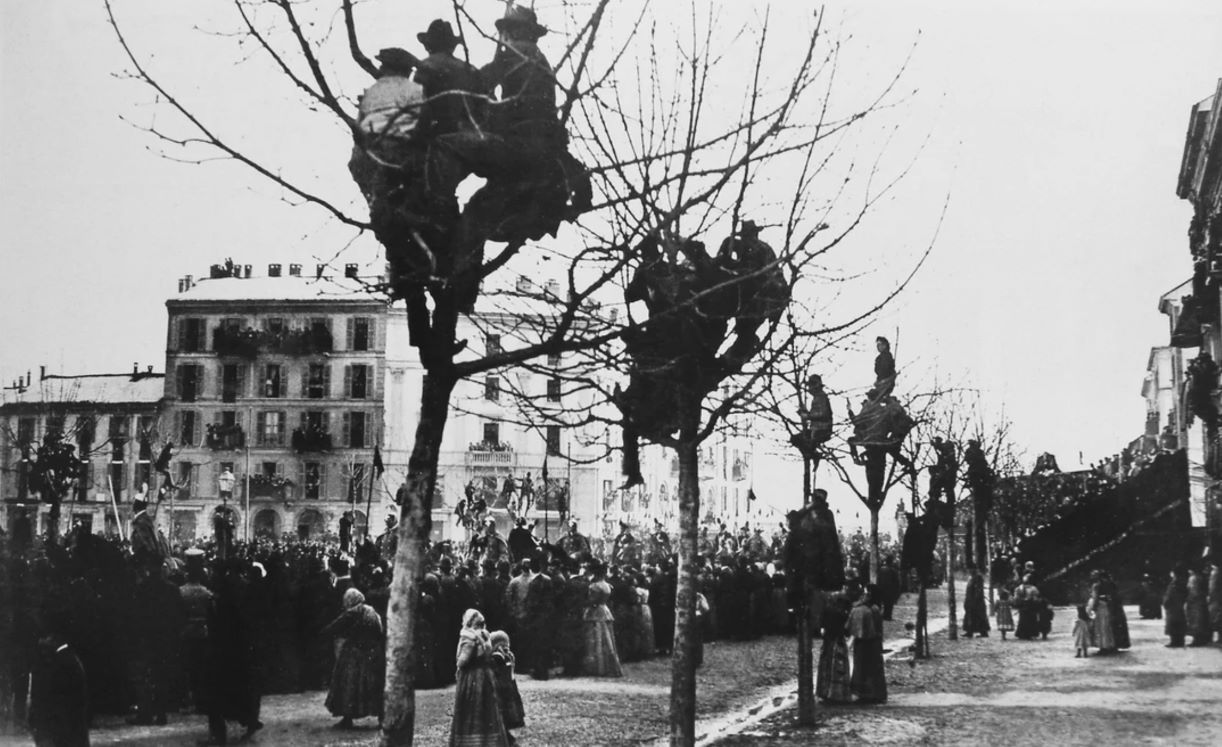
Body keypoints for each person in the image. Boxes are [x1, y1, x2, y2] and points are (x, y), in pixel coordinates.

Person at [323, 588, 384, 729]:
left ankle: (347, 717)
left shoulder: (353, 612)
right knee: (374, 686)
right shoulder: (372, 611)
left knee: (349, 685)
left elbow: (335, 627)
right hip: (373, 653)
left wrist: (321, 634)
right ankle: (382, 717)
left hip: (354, 653)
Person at [449, 609, 510, 747]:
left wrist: (458, 664)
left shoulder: (469, 637)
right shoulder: (485, 635)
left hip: (472, 678)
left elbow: (463, 661)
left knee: (471, 710)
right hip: (486, 676)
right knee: (487, 710)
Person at [28, 633, 90, 747]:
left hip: (62, 726)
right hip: (70, 724)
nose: (42, 641)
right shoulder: (69, 658)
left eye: (46, 638)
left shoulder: (59, 662)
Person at [846, 584, 886, 704]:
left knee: (861, 667)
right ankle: (876, 693)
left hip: (862, 643)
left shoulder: (858, 610)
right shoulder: (875, 609)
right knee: (873, 667)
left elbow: (849, 627)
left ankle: (862, 693)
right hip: (874, 643)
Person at [581, 561, 623, 677]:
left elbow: (592, 601)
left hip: (595, 611)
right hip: (604, 609)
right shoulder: (607, 585)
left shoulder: (594, 586)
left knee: (595, 638)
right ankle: (606, 665)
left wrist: (585, 603)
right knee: (606, 637)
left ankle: (596, 666)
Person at [488, 631, 524, 745]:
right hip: (499, 701)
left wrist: (509, 666)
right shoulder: (493, 662)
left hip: (508, 698)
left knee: (510, 731)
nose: (505, 650)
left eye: (506, 647)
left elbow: (510, 681)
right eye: (501, 647)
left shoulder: (507, 660)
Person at [817, 591, 852, 703]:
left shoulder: (827, 611)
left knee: (827, 666)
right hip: (839, 641)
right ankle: (838, 693)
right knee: (838, 667)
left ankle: (826, 691)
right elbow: (847, 630)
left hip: (829, 642)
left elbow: (822, 627)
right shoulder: (843, 614)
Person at [1164, 567, 1189, 648]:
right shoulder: (1183, 582)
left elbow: (1170, 595)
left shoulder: (1174, 582)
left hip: (1173, 607)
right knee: (1179, 623)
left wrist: (1166, 603)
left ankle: (1174, 641)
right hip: (1179, 606)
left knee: (1173, 624)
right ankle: (1180, 640)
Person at [1187, 566, 1212, 646]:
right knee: (1201, 621)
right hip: (1202, 601)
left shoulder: (1193, 578)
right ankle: (1203, 639)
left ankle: (1197, 640)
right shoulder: (1202, 577)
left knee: (1196, 621)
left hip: (1195, 602)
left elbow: (1193, 590)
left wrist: (1189, 600)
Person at [1013, 574, 1043, 640]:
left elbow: (1016, 598)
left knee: (1023, 620)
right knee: (1031, 620)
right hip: (1031, 605)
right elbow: (1036, 597)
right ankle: (1031, 633)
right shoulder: (1033, 588)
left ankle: (1022, 634)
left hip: (1023, 606)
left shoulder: (1019, 588)